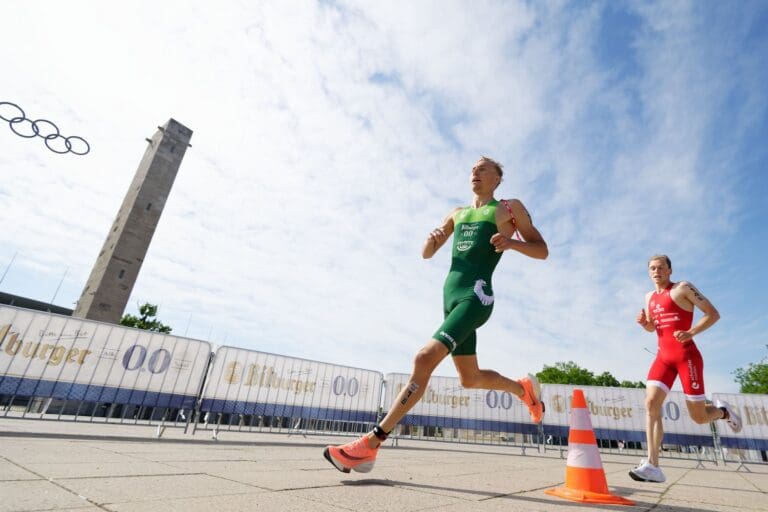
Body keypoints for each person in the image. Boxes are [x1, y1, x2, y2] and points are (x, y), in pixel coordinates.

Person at [323, 156, 549, 473]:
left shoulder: (508, 209)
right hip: (450, 299)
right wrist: (430, 241)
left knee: (423, 359)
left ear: (497, 178)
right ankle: (522, 389)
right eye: (473, 168)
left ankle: (370, 444)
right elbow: (427, 253)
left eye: (483, 168)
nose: (475, 171)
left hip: (476, 296)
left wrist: (511, 243)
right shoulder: (457, 213)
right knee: (471, 379)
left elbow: (542, 249)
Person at [629, 255, 742, 483]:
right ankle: (653, 465)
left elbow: (713, 314)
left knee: (699, 417)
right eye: (652, 268)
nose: (656, 271)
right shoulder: (649, 296)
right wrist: (644, 324)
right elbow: (654, 328)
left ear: (670, 270)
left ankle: (723, 412)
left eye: (661, 267)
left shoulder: (683, 288)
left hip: (687, 357)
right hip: (663, 358)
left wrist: (691, 332)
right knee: (651, 403)